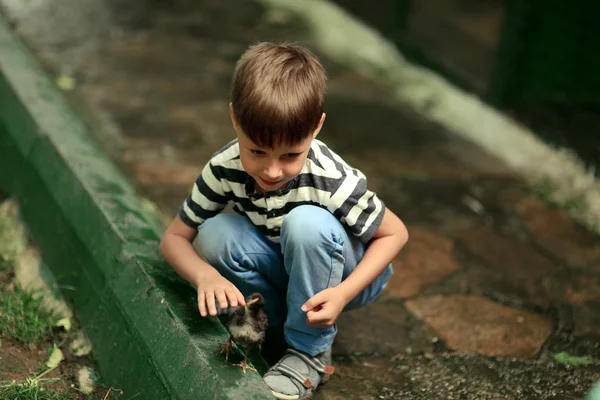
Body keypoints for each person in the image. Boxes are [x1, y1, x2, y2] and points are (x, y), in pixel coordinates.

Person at [159, 41, 408, 399]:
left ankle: (310, 354)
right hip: (289, 266)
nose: (272, 170)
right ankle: (274, 327)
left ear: (317, 127)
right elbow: (173, 239)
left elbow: (395, 234)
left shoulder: (328, 177)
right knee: (215, 232)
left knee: (305, 223)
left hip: (347, 274)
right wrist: (205, 276)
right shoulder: (223, 168)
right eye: (256, 151)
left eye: (290, 154)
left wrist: (341, 294)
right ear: (234, 119)